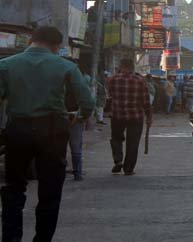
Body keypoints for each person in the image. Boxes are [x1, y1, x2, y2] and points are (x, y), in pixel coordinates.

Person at [0, 26, 94, 242]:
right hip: (53, 130)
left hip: (18, 130)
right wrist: (79, 117)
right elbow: (87, 102)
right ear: (56, 46)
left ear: (31, 40)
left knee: (13, 188)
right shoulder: (66, 66)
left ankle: (11, 238)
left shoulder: (6, 65)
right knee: (50, 190)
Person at [107, 58, 153, 176]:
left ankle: (118, 160)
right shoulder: (140, 80)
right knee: (133, 143)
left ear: (121, 66)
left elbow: (110, 96)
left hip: (117, 115)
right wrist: (149, 116)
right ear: (132, 67)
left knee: (116, 138)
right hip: (135, 116)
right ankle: (128, 169)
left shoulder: (112, 80)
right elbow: (146, 101)